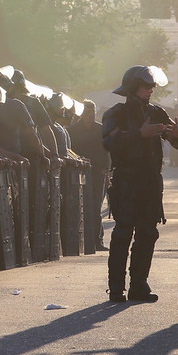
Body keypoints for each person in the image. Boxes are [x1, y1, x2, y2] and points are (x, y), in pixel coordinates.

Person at [102, 65, 178, 302]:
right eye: (145, 86)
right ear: (132, 87)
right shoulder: (116, 113)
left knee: (148, 233)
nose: (151, 89)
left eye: (152, 86)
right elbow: (109, 142)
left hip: (150, 182)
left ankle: (139, 285)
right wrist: (139, 134)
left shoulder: (157, 112)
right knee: (122, 233)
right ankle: (116, 288)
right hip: (127, 180)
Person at [69, 99, 110, 250]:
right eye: (87, 112)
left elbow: (107, 151)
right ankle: (81, 240)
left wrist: (106, 170)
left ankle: (97, 241)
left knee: (95, 206)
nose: (90, 115)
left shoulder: (100, 129)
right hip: (78, 172)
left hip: (97, 172)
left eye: (92, 112)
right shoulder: (73, 131)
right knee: (79, 206)